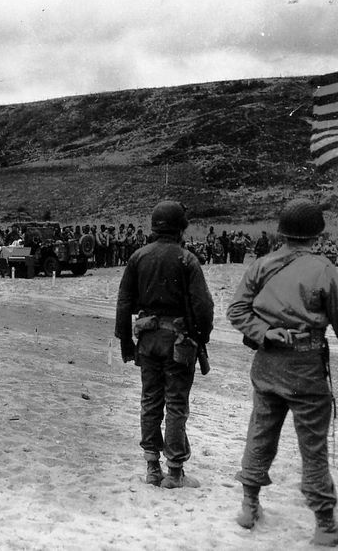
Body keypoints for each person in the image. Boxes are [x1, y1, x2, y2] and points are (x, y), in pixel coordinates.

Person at [226, 198, 338, 545]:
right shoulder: (323, 269)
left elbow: (236, 311)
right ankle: (325, 525)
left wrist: (264, 333)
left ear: (281, 232)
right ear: (317, 234)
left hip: (266, 365)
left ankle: (249, 506)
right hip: (305, 369)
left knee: (260, 433)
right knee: (313, 447)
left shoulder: (262, 265)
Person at [115, 201, 214, 489]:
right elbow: (203, 306)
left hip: (147, 342)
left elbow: (123, 303)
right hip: (179, 344)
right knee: (176, 405)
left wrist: (126, 342)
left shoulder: (138, 257)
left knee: (150, 401)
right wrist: (200, 337)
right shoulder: (187, 260)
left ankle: (151, 467)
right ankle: (175, 472)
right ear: (180, 228)